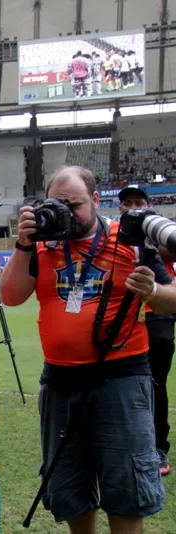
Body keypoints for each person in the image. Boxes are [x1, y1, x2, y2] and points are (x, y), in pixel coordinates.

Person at [0, 167, 176, 533]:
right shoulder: (43, 244)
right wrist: (23, 244)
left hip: (121, 379)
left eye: (74, 205)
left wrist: (152, 293)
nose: (65, 213)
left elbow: (173, 300)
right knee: (68, 487)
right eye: (56, 204)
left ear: (96, 201)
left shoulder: (129, 237)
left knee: (127, 487)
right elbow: (11, 295)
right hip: (60, 382)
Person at [118, 184, 176, 475]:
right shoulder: (117, 236)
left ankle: (158, 447)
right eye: (127, 202)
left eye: (138, 201)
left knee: (155, 385)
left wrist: (152, 231)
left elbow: (168, 252)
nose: (133, 207)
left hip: (158, 315)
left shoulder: (158, 231)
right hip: (126, 319)